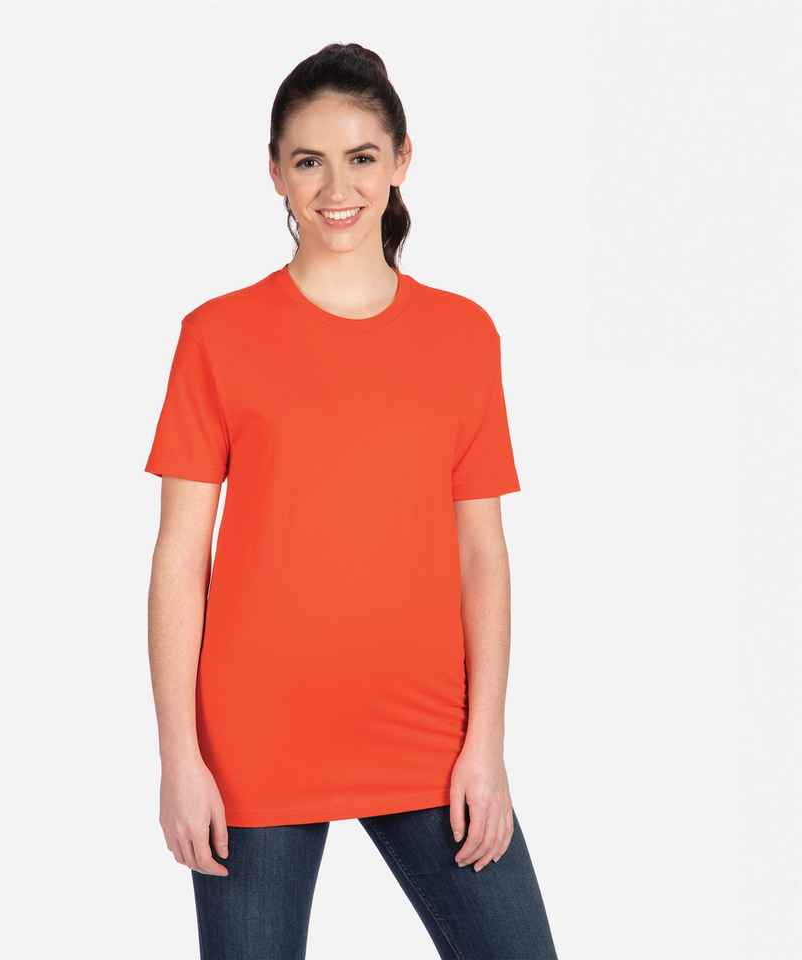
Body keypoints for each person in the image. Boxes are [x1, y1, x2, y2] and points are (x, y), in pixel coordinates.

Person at [145, 42, 559, 960]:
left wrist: (485, 745)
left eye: (362, 157)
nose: (337, 187)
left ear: (402, 160)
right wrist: (180, 757)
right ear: (275, 173)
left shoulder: (463, 335)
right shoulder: (217, 336)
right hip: (254, 745)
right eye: (309, 161)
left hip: (428, 738)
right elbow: (180, 557)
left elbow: (483, 553)